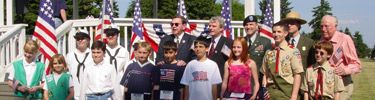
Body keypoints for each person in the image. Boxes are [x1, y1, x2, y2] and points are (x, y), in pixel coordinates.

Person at [320, 15, 361, 100]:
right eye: (321, 26)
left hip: (342, 83)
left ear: (336, 26)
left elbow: (356, 64)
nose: (323, 29)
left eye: (326, 26)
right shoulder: (322, 39)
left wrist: (345, 70)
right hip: (326, 84)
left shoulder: (345, 39)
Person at [261, 22, 304, 100]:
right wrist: (264, 89)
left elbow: (297, 75)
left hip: (286, 92)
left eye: (279, 32)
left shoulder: (293, 51)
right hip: (271, 92)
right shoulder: (269, 52)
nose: (276, 34)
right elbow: (265, 73)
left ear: (286, 33)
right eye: (274, 32)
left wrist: (294, 96)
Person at [279, 11, 316, 99]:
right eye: (287, 23)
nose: (289, 25)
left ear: (299, 25)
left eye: (292, 23)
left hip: (303, 86)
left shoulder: (308, 43)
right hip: (285, 86)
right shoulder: (282, 42)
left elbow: (312, 65)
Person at [243, 15, 272, 85]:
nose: (248, 27)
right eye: (246, 25)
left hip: (259, 80)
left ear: (256, 26)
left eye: (251, 24)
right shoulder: (240, 42)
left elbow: (269, 64)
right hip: (243, 80)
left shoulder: (265, 42)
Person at [65, 29, 92, 99]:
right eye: (78, 39)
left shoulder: (92, 55)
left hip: (89, 93)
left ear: (88, 40)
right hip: (74, 93)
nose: (80, 40)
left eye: (82, 38)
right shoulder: (70, 55)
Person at [104, 25, 130, 99]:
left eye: (113, 34)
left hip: (119, 84)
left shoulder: (124, 51)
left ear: (117, 35)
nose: (110, 37)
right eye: (108, 35)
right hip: (105, 84)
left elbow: (126, 71)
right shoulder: (101, 50)